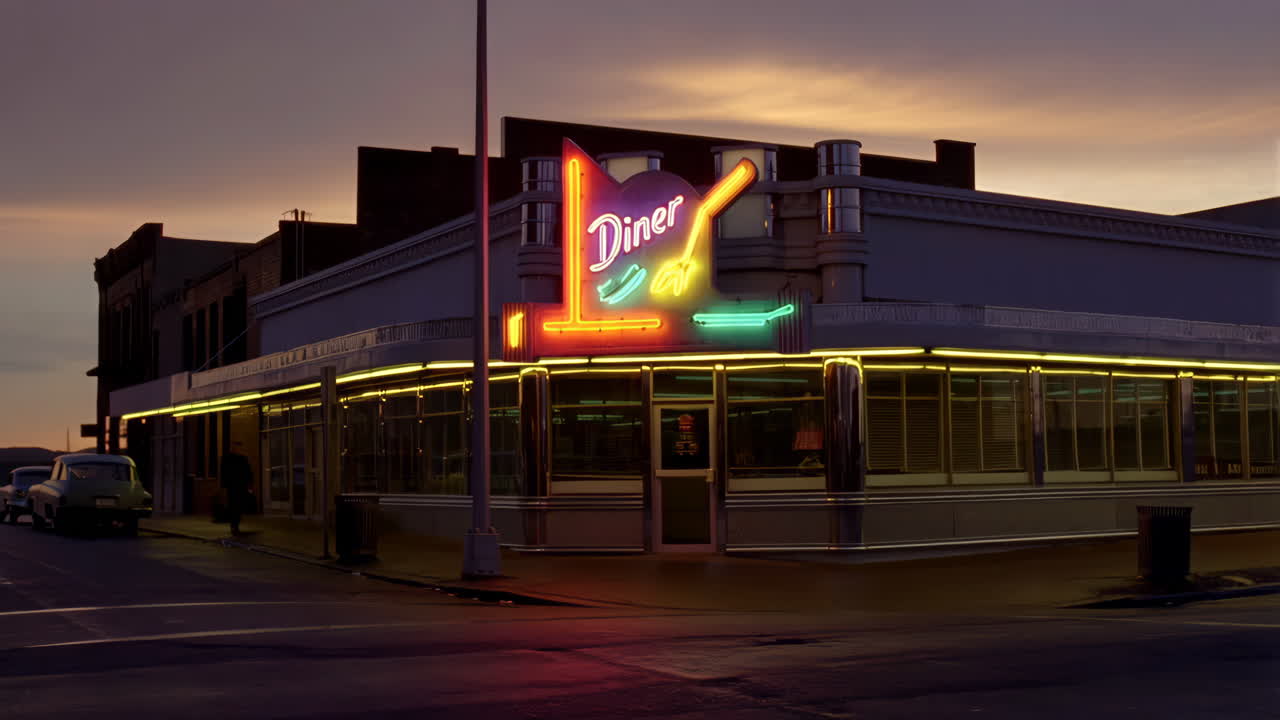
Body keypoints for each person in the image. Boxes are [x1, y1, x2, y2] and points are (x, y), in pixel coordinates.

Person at [219, 440, 253, 535]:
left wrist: (249, 485)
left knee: (238, 506)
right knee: (233, 505)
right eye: (235, 447)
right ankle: (234, 525)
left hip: (240, 486)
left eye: (238, 448)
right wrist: (223, 486)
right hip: (232, 486)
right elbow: (224, 473)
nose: (237, 449)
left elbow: (248, 472)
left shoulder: (243, 459)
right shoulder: (227, 458)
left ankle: (235, 524)